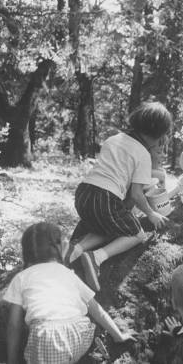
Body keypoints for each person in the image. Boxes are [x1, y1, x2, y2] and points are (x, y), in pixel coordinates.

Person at [66, 102, 172, 291]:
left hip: (83, 193)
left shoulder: (113, 139)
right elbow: (136, 194)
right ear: (156, 135)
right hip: (106, 198)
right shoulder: (142, 154)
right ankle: (96, 257)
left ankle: (75, 250)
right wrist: (151, 214)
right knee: (137, 234)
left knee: (107, 225)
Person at [4, 222, 134, 364]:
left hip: (48, 338)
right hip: (80, 333)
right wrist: (118, 335)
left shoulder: (21, 278)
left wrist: (11, 360)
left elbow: (14, 325)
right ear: (58, 248)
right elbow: (96, 308)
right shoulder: (66, 273)